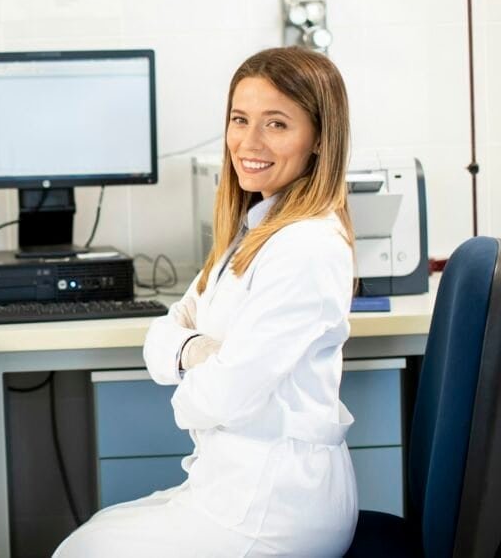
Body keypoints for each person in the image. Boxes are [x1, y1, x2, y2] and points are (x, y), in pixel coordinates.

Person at [54, 46, 358, 557]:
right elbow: (162, 336)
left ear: (319, 139)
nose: (249, 141)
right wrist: (198, 351)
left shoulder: (306, 246)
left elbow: (221, 398)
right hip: (231, 484)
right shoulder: (251, 232)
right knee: (88, 539)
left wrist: (197, 372)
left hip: (275, 507)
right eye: (240, 119)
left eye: (277, 124)